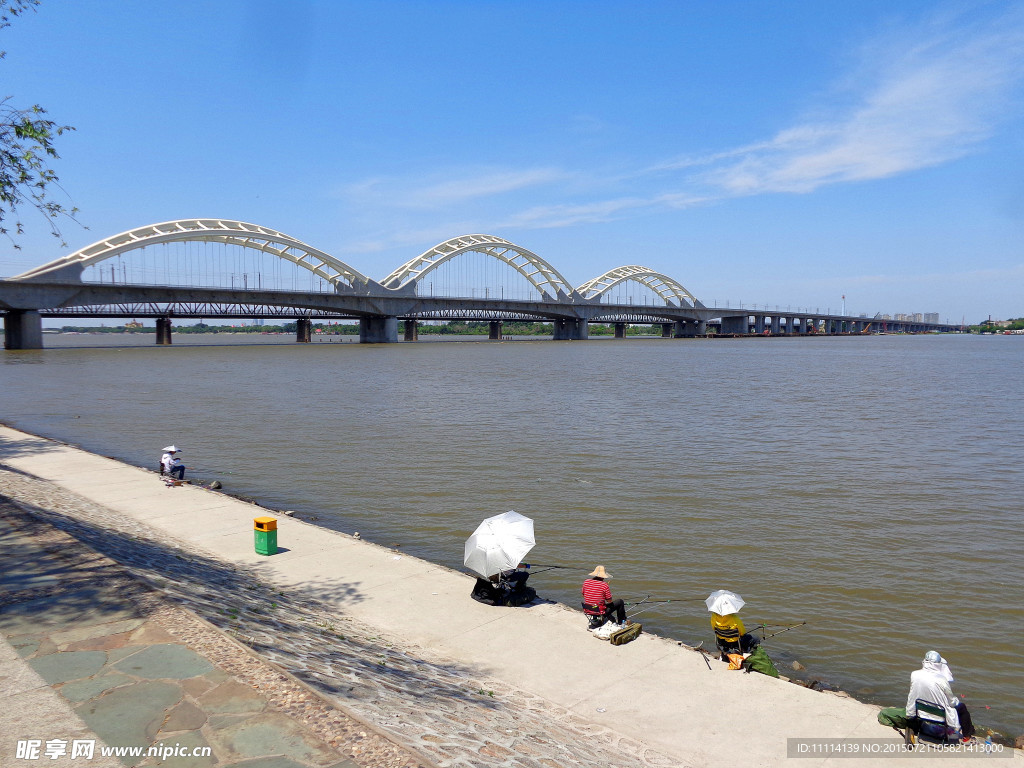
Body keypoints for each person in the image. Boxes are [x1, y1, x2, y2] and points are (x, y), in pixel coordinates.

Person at [906, 650, 975, 743]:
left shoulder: (914, 674)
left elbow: (913, 694)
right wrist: (956, 701)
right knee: (962, 707)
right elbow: (952, 701)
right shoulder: (942, 679)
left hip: (921, 711)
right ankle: (967, 737)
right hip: (939, 715)